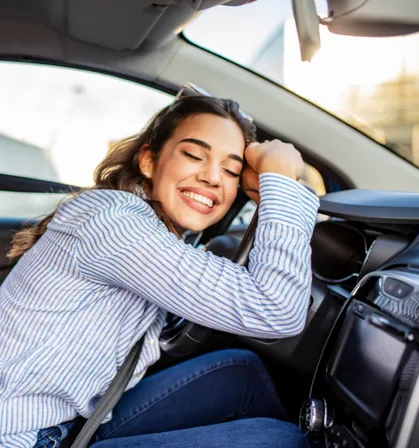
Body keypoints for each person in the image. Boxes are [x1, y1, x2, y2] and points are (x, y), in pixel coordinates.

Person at [0, 91, 319, 448]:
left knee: (239, 372)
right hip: (23, 438)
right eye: (194, 155)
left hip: (74, 422)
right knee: (279, 441)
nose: (213, 177)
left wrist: (266, 192)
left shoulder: (152, 226)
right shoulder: (115, 224)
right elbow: (276, 310)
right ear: (149, 161)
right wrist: (283, 185)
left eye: (230, 170)